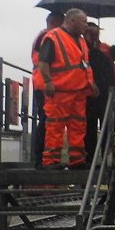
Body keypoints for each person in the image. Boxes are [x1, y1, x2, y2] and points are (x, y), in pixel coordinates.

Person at [36, 8, 97, 168]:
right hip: (59, 91)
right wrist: (48, 81)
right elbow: (43, 62)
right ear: (71, 21)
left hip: (79, 91)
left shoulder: (82, 41)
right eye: (83, 22)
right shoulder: (53, 37)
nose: (86, 26)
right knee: (55, 126)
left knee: (78, 126)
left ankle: (77, 160)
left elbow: (84, 64)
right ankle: (51, 161)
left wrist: (91, 83)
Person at [83, 21, 115, 162]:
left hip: (107, 93)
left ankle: (108, 159)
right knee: (89, 128)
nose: (95, 34)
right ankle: (89, 159)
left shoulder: (105, 48)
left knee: (109, 127)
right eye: (91, 32)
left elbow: (113, 54)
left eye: (96, 31)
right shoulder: (82, 48)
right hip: (88, 93)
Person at [30, 11, 64, 167]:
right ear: (54, 22)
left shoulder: (43, 36)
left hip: (43, 82)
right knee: (46, 121)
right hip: (44, 83)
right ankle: (40, 158)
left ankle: (42, 158)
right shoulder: (48, 37)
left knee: (47, 121)